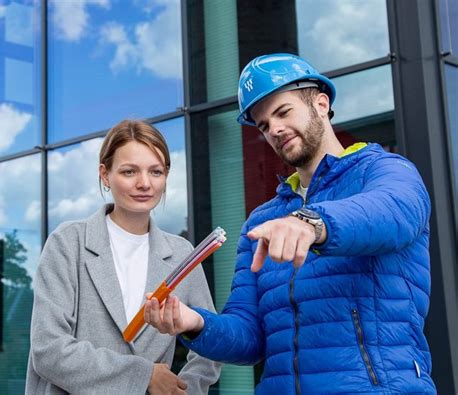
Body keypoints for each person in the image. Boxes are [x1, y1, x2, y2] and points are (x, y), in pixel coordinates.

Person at [144, 53, 437, 394]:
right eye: (264, 125)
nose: (274, 130)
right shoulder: (263, 220)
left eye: (282, 112)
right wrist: (195, 323)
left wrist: (312, 223)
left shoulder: (384, 171)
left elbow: (392, 212)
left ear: (321, 103)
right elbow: (250, 337)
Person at [25, 119, 221, 394]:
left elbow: (210, 342)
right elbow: (48, 349)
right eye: (129, 172)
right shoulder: (68, 242)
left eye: (156, 172)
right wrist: (144, 377)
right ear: (105, 175)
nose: (144, 184)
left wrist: (185, 389)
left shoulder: (180, 254)